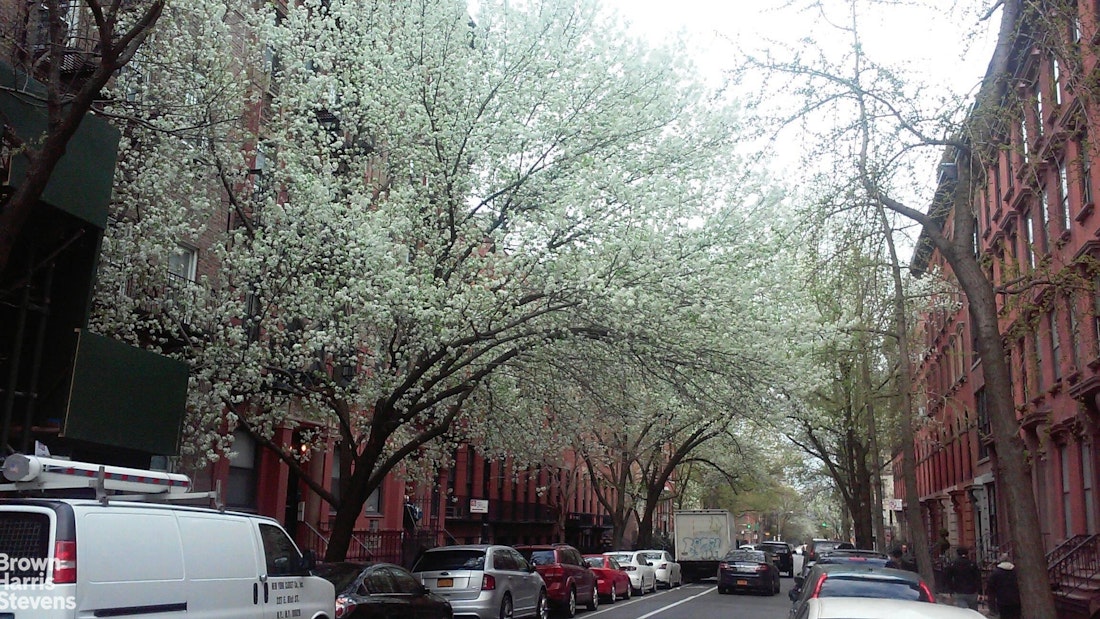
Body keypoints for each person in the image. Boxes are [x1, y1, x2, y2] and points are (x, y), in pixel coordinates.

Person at [986, 553, 1021, 619]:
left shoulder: (995, 573)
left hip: (1002, 601)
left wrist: (992, 604)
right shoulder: (1016, 572)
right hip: (1016, 600)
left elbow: (991, 589)